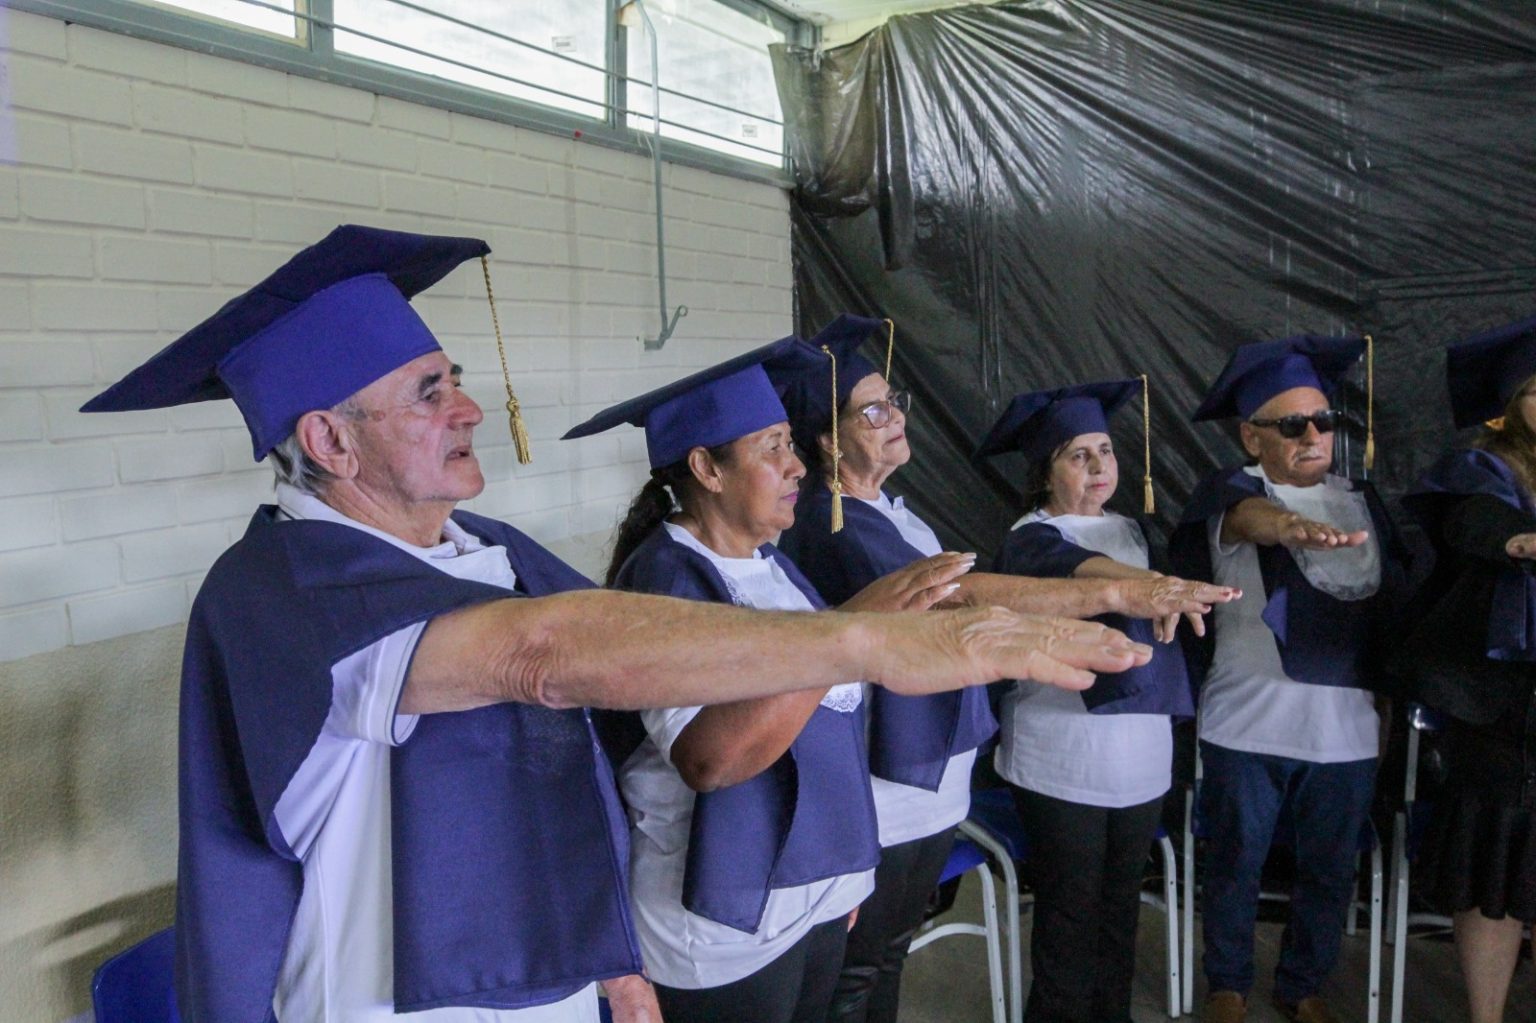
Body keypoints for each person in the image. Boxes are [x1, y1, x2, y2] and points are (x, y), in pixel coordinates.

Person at [80, 225, 1154, 1023]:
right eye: (427, 391)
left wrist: (614, 961)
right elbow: (542, 657)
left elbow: (574, 763)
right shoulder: (282, 584)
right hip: (391, 997)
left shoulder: (488, 547)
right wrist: (863, 638)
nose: (468, 406)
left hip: (548, 973)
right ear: (328, 440)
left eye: (456, 380)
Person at [768, 316, 1237, 1023]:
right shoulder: (835, 523)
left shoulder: (888, 510)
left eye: (894, 401)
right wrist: (1120, 594)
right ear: (830, 442)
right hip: (886, 784)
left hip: (929, 780)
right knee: (859, 970)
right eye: (872, 411)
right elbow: (958, 595)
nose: (895, 416)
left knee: (885, 955)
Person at [563, 340, 979, 1023]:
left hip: (809, 897)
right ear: (707, 468)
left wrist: (843, 871)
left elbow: (832, 725)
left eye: (790, 442)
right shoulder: (667, 579)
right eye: (772, 447)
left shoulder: (770, 565)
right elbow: (710, 759)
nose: (797, 465)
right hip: (725, 925)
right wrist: (848, 631)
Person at [1169, 335, 1409, 1023]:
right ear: (1252, 436)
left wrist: (1386, 711)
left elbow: (1392, 613)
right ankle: (1228, 984)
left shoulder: (1364, 502)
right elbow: (1251, 522)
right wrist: (1289, 527)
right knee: (1236, 862)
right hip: (1247, 723)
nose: (1312, 436)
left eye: (1323, 421)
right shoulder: (1234, 494)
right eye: (1292, 424)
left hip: (1345, 730)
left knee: (1329, 870)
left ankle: (1302, 985)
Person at [973, 378, 1209, 1023]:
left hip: (1141, 759)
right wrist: (1151, 585)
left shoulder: (1136, 531)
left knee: (1120, 909)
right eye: (1078, 455)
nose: (1099, 465)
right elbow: (1079, 568)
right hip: (1062, 759)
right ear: (1046, 472)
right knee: (1070, 912)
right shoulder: (1030, 537)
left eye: (1105, 450)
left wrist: (1158, 581)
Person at [1396, 317, 1536, 1023]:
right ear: (1509, 406)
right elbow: (1473, 527)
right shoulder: (1481, 470)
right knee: (1492, 864)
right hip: (1498, 701)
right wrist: (1522, 540)